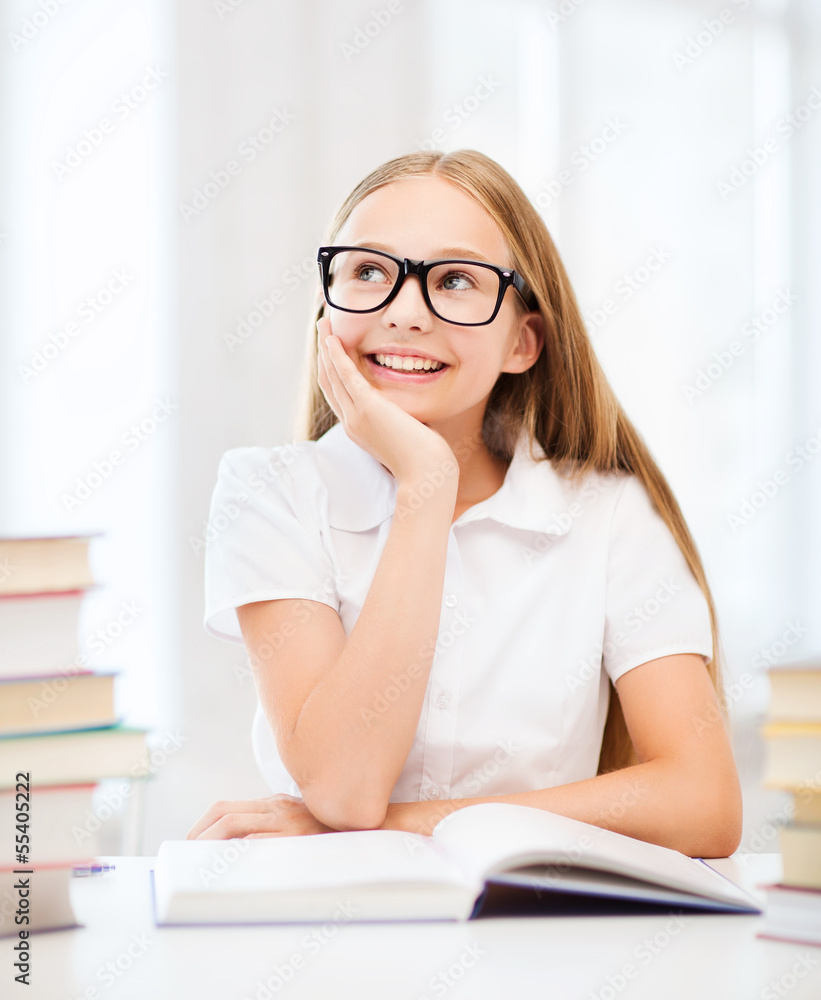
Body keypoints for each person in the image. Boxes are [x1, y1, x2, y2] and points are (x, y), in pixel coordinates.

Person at [187, 149, 742, 858]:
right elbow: (343, 786)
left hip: (534, 934)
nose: (404, 314)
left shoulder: (609, 517)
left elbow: (702, 802)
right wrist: (423, 487)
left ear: (522, 340)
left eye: (452, 281)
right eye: (368, 272)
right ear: (326, 305)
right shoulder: (269, 494)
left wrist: (403, 824)